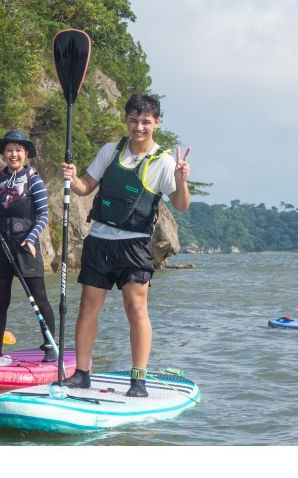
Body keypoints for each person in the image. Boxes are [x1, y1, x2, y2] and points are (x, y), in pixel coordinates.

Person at [58, 93, 191, 397]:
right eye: (134, 120)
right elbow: (84, 188)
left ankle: (138, 380)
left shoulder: (164, 162)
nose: (139, 126)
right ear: (126, 120)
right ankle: (81, 373)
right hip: (99, 240)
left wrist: (181, 180)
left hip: (134, 246)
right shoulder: (110, 150)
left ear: (156, 123)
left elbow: (181, 205)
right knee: (88, 307)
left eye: (146, 121)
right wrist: (72, 177)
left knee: (135, 309)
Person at [0, 130, 56, 362]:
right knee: (0, 301)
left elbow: (43, 216)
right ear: (4, 154)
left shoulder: (34, 180)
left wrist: (31, 238)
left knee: (40, 297)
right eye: (9, 150)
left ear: (26, 153)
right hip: (0, 244)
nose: (14, 154)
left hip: (26, 245)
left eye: (18, 150)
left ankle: (50, 345)